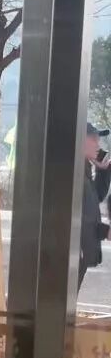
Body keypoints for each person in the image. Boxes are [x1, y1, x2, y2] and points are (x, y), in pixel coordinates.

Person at [79, 121, 111, 288]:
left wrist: (104, 170)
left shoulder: (84, 172)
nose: (98, 143)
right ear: (79, 140)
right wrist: (103, 231)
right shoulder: (75, 174)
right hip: (73, 255)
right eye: (93, 138)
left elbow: (95, 197)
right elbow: (78, 219)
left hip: (80, 256)